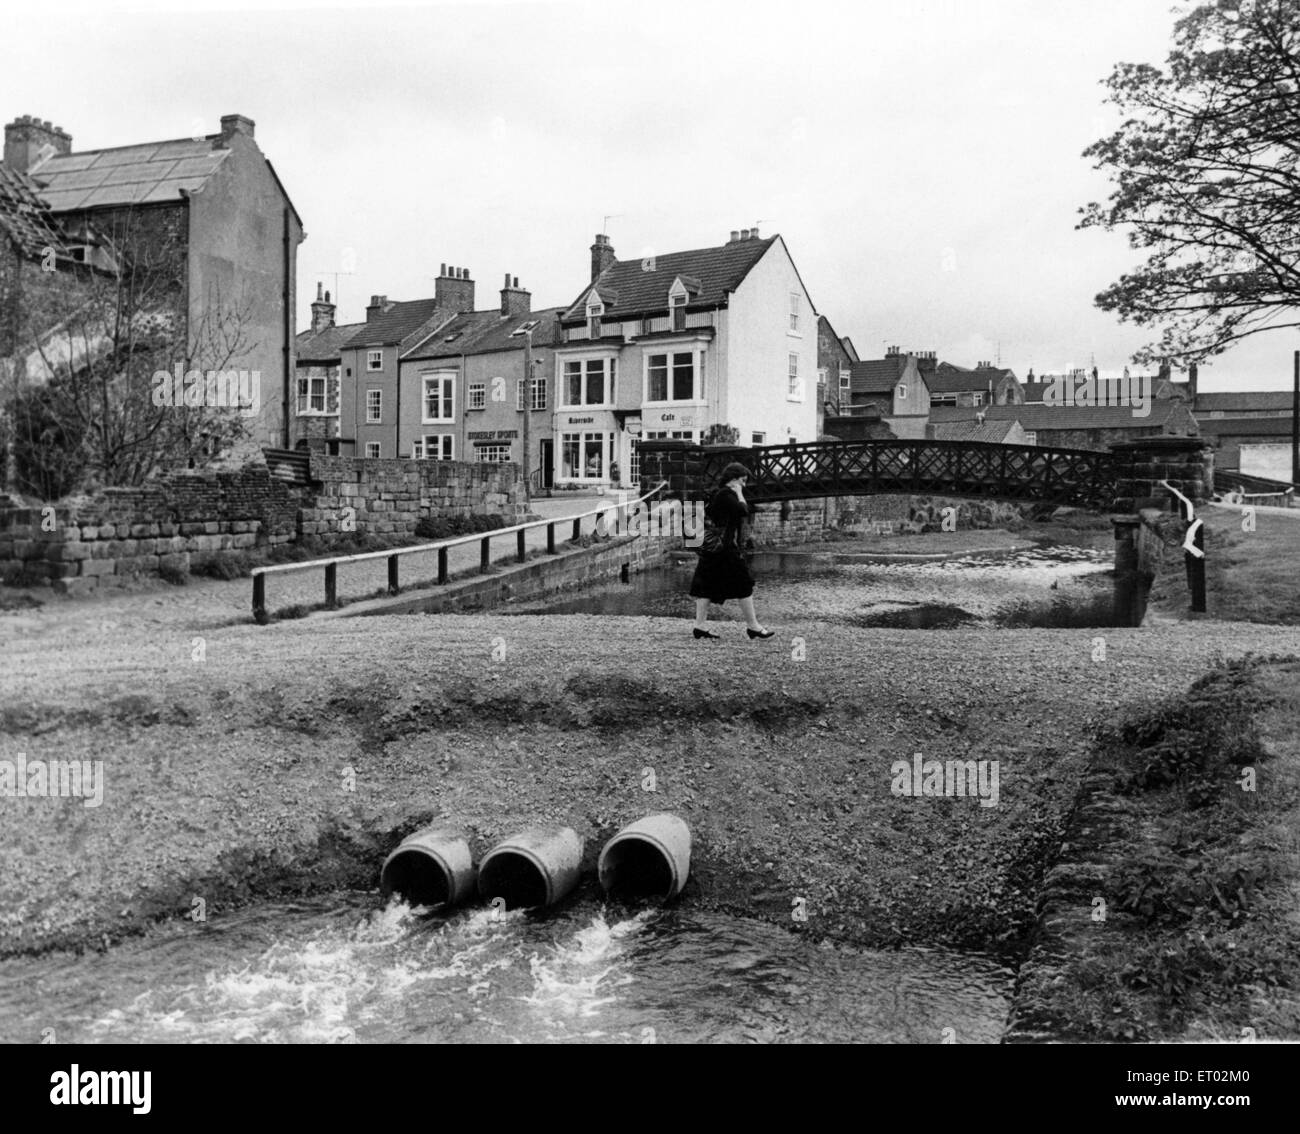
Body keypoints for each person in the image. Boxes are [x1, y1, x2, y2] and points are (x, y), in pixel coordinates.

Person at [688, 462, 774, 640]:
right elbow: (743, 510)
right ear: (733, 479)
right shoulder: (726, 494)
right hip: (724, 548)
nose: (744, 484)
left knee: (706, 586)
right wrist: (740, 493)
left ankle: (699, 626)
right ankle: (753, 626)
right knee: (744, 583)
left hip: (714, 548)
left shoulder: (720, 494)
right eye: (742, 480)